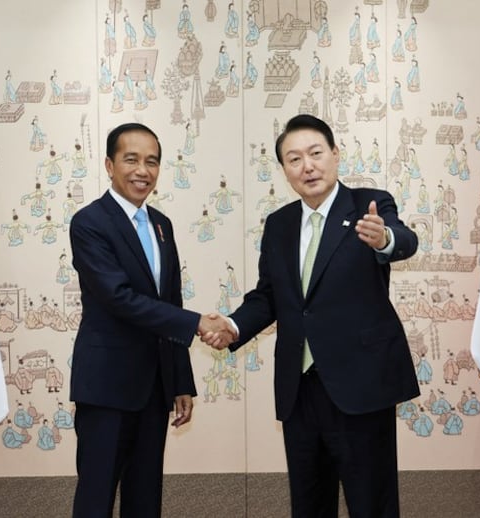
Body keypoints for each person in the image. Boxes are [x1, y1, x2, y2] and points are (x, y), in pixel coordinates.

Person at [203, 114, 419, 517]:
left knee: (372, 503)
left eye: (316, 153)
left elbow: (403, 238)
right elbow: (270, 296)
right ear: (285, 170)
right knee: (309, 504)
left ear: (335, 155)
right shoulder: (279, 224)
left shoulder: (369, 204)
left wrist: (385, 239)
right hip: (300, 390)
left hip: (361, 385)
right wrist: (233, 326)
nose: (308, 166)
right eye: (294, 159)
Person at [70, 123, 227, 517]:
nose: (143, 170)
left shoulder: (161, 225)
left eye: (152, 161)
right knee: (96, 498)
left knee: (145, 500)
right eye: (132, 159)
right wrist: (196, 323)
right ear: (109, 164)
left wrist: (180, 383)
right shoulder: (89, 223)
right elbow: (119, 298)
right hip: (106, 388)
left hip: (153, 389)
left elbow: (168, 301)